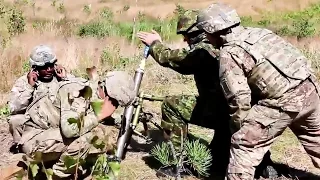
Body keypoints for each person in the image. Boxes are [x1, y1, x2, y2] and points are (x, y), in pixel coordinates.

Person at [137, 9, 277, 179]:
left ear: (194, 33)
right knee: (215, 159)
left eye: (185, 35)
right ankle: (264, 165)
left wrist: (154, 44)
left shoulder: (203, 50)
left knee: (171, 104)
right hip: (249, 112)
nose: (184, 40)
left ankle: (175, 164)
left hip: (226, 113)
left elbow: (171, 58)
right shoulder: (232, 42)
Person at [197, 2, 320, 179]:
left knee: (244, 146)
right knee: (317, 140)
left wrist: (238, 130)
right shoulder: (260, 33)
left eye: (206, 33)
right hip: (310, 90)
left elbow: (239, 101)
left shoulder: (230, 52)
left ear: (212, 30)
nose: (207, 38)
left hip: (281, 102)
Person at [17, 66, 135, 179]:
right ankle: (55, 176)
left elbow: (89, 114)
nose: (114, 107)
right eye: (115, 103)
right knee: (89, 139)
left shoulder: (93, 91)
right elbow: (69, 130)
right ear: (108, 94)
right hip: (33, 140)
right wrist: (100, 115)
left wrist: (119, 120)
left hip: (47, 133)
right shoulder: (78, 92)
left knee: (98, 132)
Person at [7, 45, 74, 152]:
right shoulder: (24, 81)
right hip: (35, 123)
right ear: (34, 68)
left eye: (51, 66)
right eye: (44, 67)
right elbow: (14, 108)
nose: (49, 70)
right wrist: (29, 88)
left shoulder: (62, 76)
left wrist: (65, 80)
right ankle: (22, 148)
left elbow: (79, 95)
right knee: (15, 121)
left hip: (59, 120)